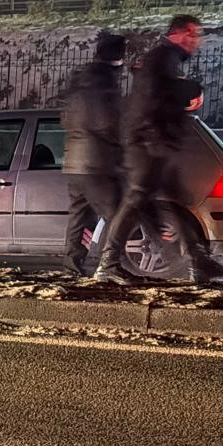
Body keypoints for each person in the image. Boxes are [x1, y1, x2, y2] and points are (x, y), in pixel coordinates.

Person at [95, 14, 223, 284]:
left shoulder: (166, 60)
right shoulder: (162, 58)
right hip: (146, 142)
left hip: (154, 141)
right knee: (135, 199)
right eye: (191, 34)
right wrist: (190, 90)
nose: (195, 40)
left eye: (197, 35)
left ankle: (199, 262)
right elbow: (154, 92)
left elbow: (159, 93)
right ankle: (107, 265)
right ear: (176, 34)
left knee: (173, 200)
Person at [61, 31, 126, 274]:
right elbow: (106, 122)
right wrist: (120, 144)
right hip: (97, 162)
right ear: (119, 57)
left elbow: (65, 118)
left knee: (80, 215)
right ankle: (108, 266)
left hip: (74, 161)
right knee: (118, 215)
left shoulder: (79, 79)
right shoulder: (105, 80)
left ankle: (72, 267)